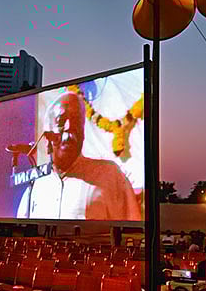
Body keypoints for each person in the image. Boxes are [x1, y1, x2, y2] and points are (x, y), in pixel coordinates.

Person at [17, 91, 141, 221]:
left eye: (76, 120)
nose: (69, 127)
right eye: (61, 121)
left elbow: (131, 230)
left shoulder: (109, 175)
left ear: (83, 131)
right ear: (47, 133)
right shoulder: (36, 184)